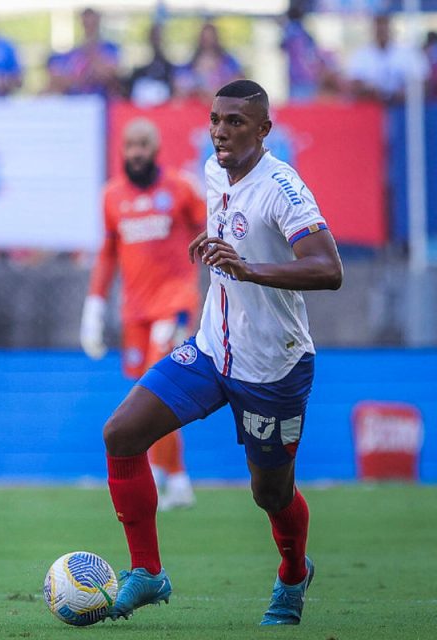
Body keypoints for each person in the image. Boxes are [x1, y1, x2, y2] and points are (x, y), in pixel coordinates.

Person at [100, 79, 342, 626]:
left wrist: (246, 268)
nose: (220, 131)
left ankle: (293, 573)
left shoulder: (283, 187)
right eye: (215, 120)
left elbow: (329, 269)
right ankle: (147, 571)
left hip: (273, 367)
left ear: (264, 129)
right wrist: (213, 246)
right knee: (121, 433)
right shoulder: (213, 171)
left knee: (270, 493)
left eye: (235, 121)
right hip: (211, 350)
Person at [81, 118, 203, 511]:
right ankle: (177, 480)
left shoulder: (181, 188)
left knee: (158, 387)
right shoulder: (111, 196)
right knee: (144, 396)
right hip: (135, 311)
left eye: (143, 145)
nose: (136, 153)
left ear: (156, 149)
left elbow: (213, 230)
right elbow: (107, 255)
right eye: (130, 145)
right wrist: (94, 307)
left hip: (174, 303)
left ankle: (165, 477)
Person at [348, 14, 427, 104]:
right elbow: (354, 84)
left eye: (385, 27)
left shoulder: (409, 52)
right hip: (372, 106)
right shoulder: (360, 55)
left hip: (405, 107)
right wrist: (371, 91)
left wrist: (402, 93)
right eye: (379, 28)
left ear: (392, 29)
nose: (382, 31)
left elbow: (423, 81)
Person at [57, 8, 121, 97]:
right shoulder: (74, 52)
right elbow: (65, 78)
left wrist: (92, 52)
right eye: (86, 23)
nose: (89, 26)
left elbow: (110, 75)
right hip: (75, 98)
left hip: (101, 98)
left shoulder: (110, 48)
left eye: (92, 22)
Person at [174, 22, 242, 101]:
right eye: (205, 38)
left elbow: (239, 80)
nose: (208, 41)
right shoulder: (193, 62)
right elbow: (180, 81)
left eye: (210, 37)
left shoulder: (229, 62)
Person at [279, 1, 329, 101]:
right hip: (306, 76)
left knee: (299, 103)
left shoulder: (292, 30)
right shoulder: (304, 32)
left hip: (298, 76)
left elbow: (282, 46)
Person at [127, 24, 176, 106]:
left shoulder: (169, 66)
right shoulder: (139, 60)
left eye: (158, 37)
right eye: (153, 37)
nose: (156, 40)